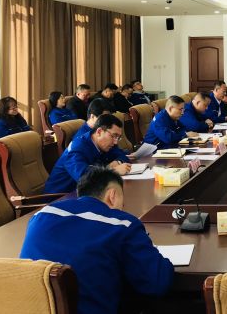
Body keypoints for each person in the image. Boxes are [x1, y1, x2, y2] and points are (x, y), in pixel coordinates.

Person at [21, 166, 174, 314]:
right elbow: (158, 283)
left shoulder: (40, 215)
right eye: (123, 203)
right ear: (112, 195)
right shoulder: (122, 223)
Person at [45, 113, 131, 193]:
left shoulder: (106, 144)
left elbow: (123, 155)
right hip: (60, 197)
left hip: (86, 192)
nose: (115, 142)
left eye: (118, 137)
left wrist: (117, 162)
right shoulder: (77, 148)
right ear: (99, 132)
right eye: (114, 136)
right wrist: (112, 170)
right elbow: (84, 179)